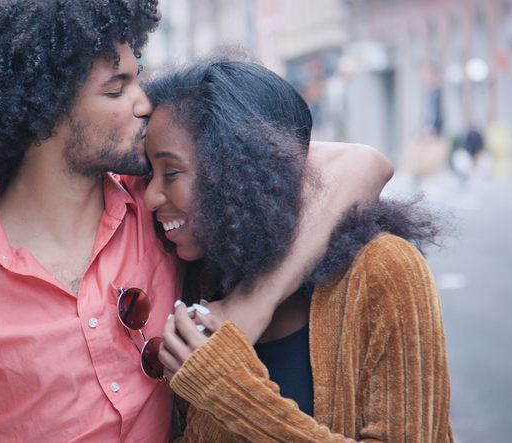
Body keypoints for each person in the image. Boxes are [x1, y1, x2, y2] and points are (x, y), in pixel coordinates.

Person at [0, 1, 393, 441]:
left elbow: (363, 163)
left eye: (138, 78)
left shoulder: (162, 206)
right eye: (117, 88)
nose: (144, 102)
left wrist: (254, 304)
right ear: (44, 112)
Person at [143, 58, 454, 442]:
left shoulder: (384, 270)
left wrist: (228, 388)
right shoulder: (202, 278)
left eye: (170, 173)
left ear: (238, 172)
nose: (150, 196)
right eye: (150, 174)